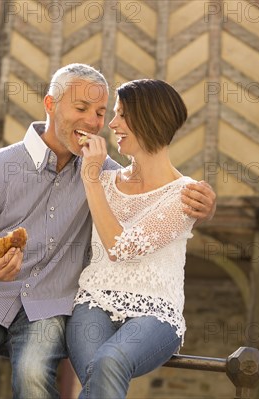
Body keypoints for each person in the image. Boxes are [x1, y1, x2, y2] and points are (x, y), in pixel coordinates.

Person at [0, 64, 216, 398]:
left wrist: (203, 206)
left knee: (34, 376)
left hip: (48, 306)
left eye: (102, 112)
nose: (95, 122)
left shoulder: (101, 171)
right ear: (50, 104)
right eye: (81, 109)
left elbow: (150, 188)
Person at [66, 79, 202, 399]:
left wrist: (90, 178)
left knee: (110, 362)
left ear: (150, 119)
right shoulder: (106, 179)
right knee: (97, 375)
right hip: (93, 302)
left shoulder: (184, 195)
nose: (111, 124)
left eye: (122, 115)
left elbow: (120, 247)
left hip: (157, 314)